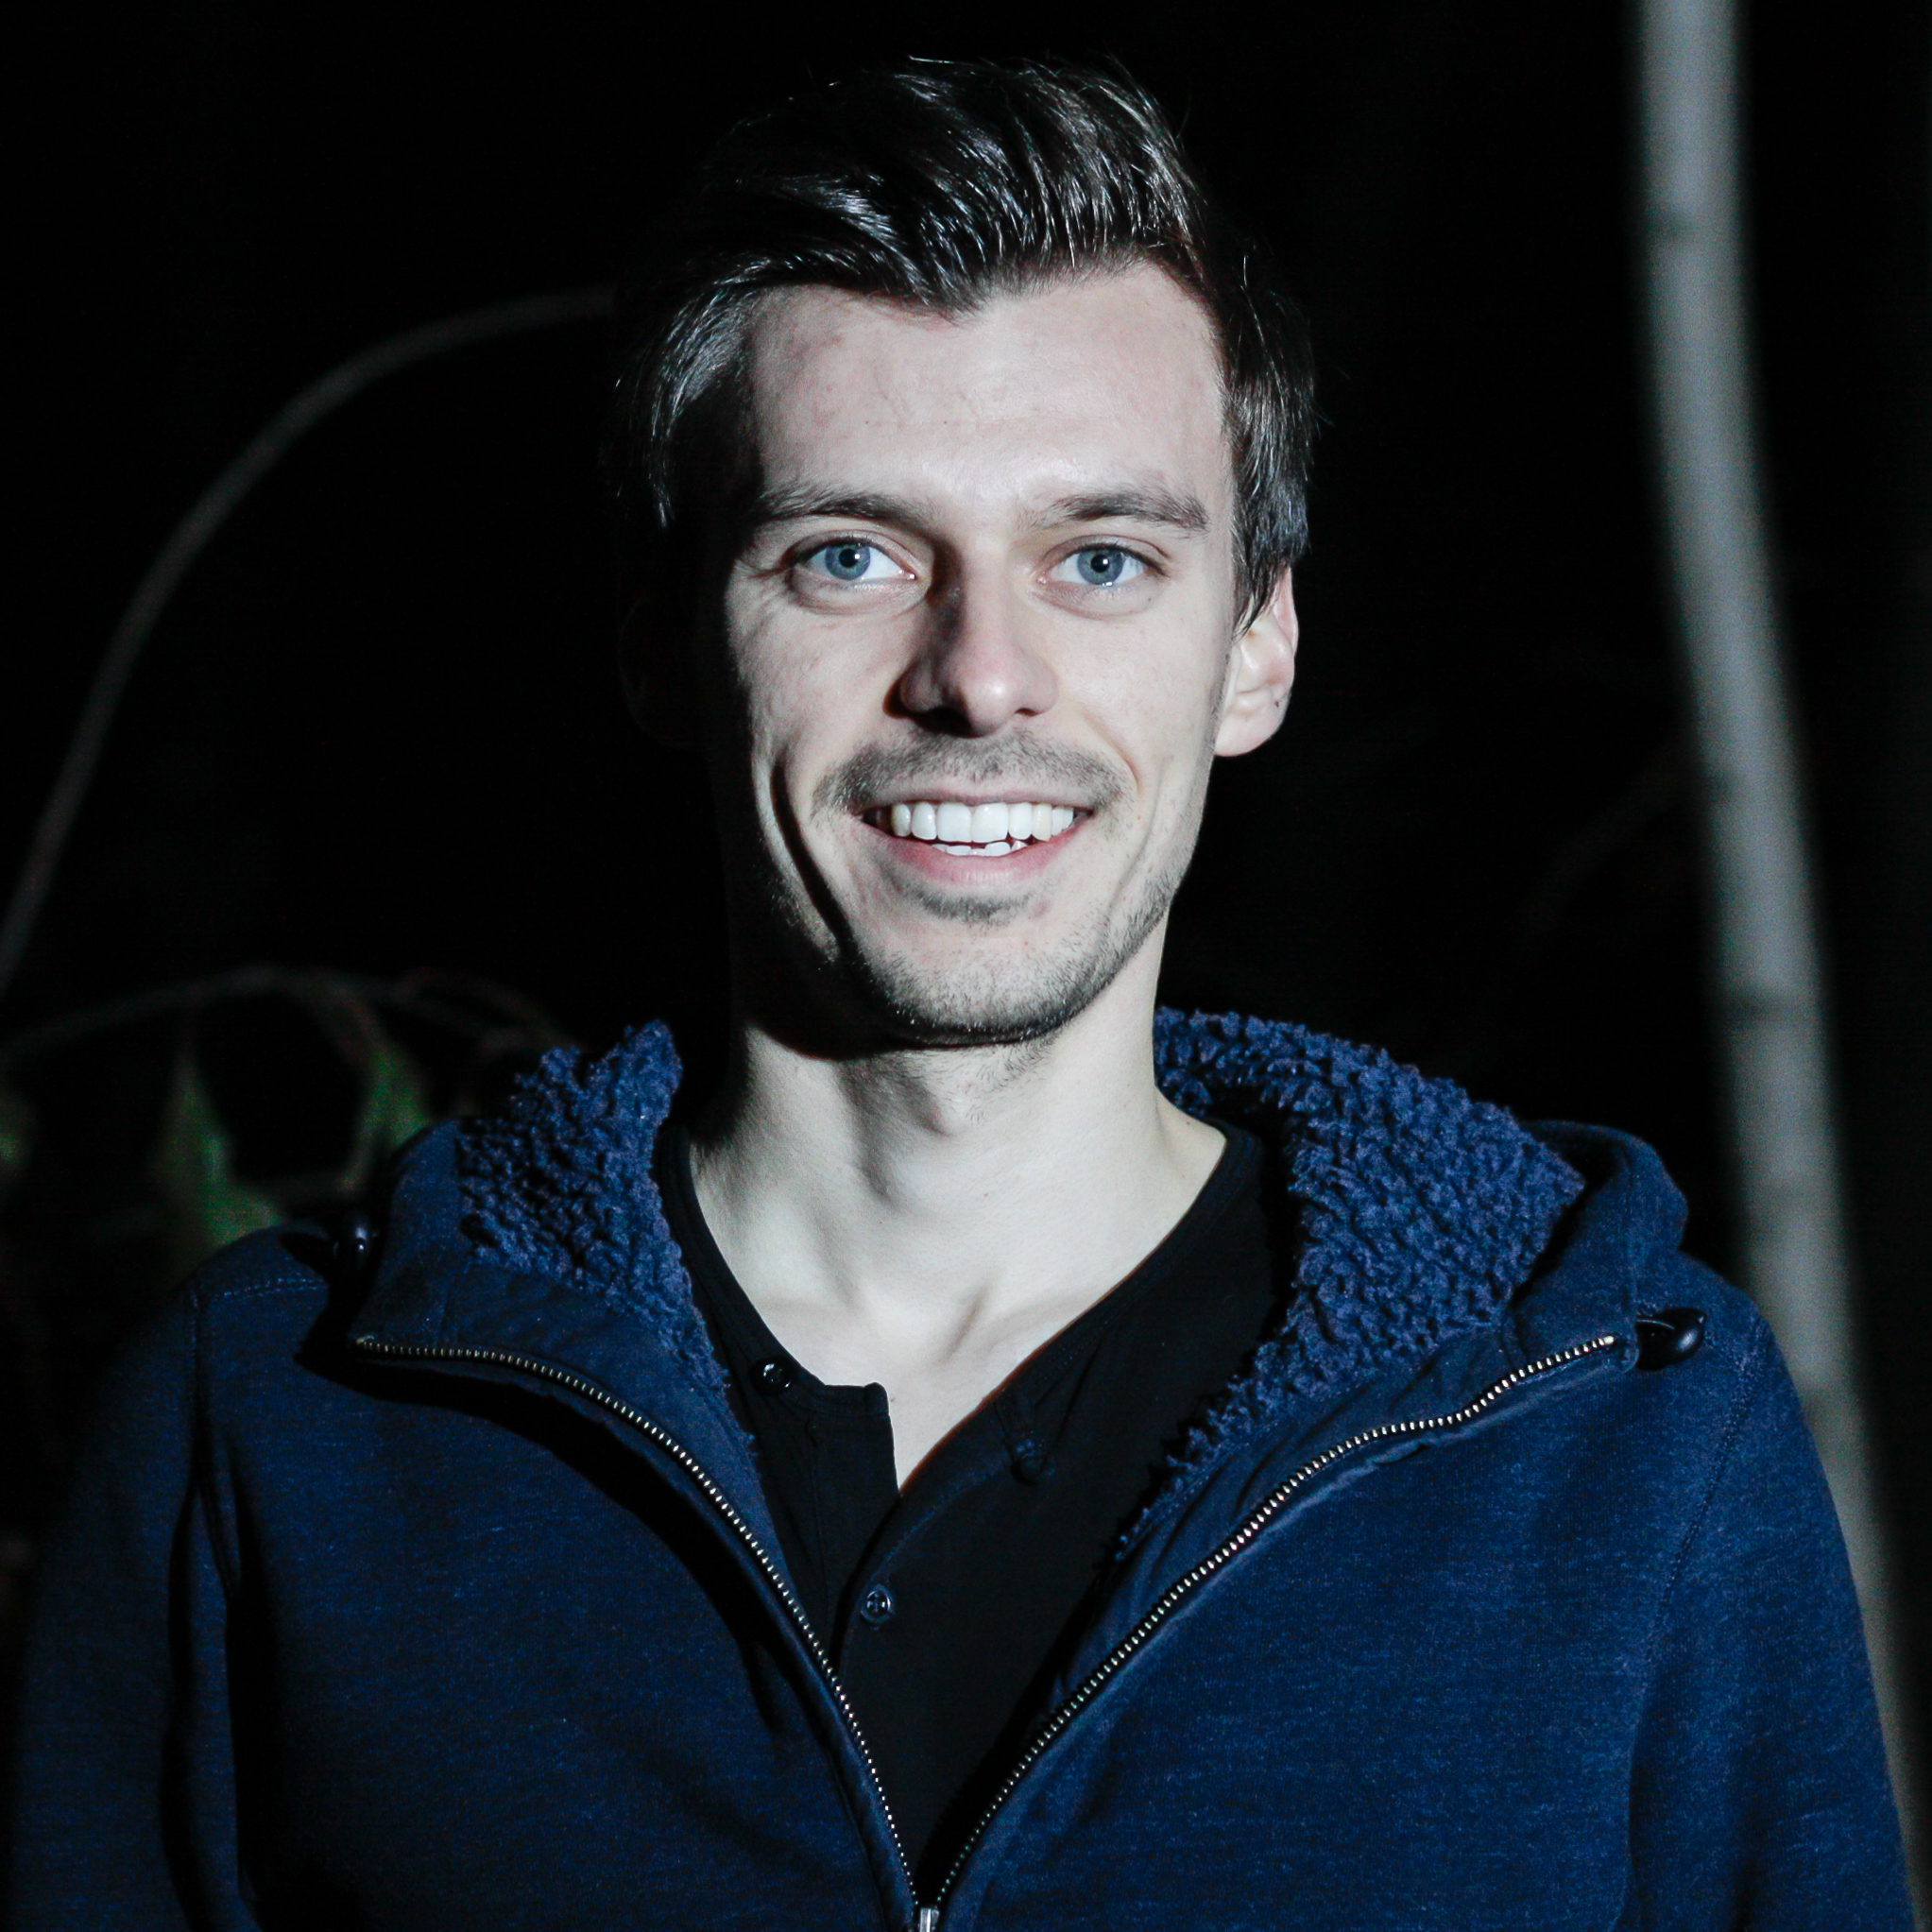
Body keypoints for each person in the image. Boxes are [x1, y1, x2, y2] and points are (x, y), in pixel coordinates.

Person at [10, 59, 1911, 1932]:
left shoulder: (1616, 1433)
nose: (980, 674)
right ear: (665, 641)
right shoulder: (278, 1427)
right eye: (847, 555)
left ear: (1257, 646)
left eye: (1101, 559)